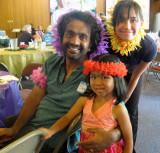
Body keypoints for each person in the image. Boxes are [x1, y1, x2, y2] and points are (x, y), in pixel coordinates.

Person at [0, 10, 120, 153]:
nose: (75, 42)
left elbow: (117, 108)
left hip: (53, 141)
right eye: (70, 34)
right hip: (30, 128)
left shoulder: (96, 72)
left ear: (91, 43)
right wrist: (15, 129)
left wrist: (114, 135)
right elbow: (35, 97)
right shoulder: (52, 62)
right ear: (61, 36)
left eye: (82, 37)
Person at [40, 54, 133, 153]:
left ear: (116, 79)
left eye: (104, 77)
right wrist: (51, 131)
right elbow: (67, 117)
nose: (97, 82)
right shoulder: (85, 100)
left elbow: (128, 140)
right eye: (93, 77)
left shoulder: (118, 108)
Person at [106, 0, 158, 152]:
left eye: (133, 20)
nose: (127, 26)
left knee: (130, 111)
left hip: (133, 74)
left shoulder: (149, 46)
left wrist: (125, 99)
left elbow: (136, 76)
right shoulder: (105, 39)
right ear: (113, 23)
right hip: (109, 72)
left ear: (141, 23)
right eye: (121, 20)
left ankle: (129, 146)